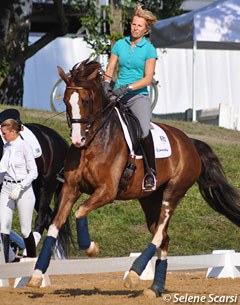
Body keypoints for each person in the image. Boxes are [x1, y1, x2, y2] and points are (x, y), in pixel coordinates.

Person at [103, 4, 158, 191]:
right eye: (133, 24)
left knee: (143, 130)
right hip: (117, 94)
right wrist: (106, 86)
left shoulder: (149, 49)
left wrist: (127, 88)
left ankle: (151, 171)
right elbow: (110, 69)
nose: (135, 28)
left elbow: (148, 79)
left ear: (146, 29)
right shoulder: (120, 44)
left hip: (137, 96)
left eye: (139, 26)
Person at [0, 119, 38, 262]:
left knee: (25, 230)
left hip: (23, 190)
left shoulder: (25, 147)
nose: (3, 136)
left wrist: (21, 186)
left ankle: (33, 260)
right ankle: (4, 263)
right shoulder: (6, 147)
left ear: (13, 132)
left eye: (4, 133)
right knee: (4, 226)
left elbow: (34, 172)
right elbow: (4, 170)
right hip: (6, 188)